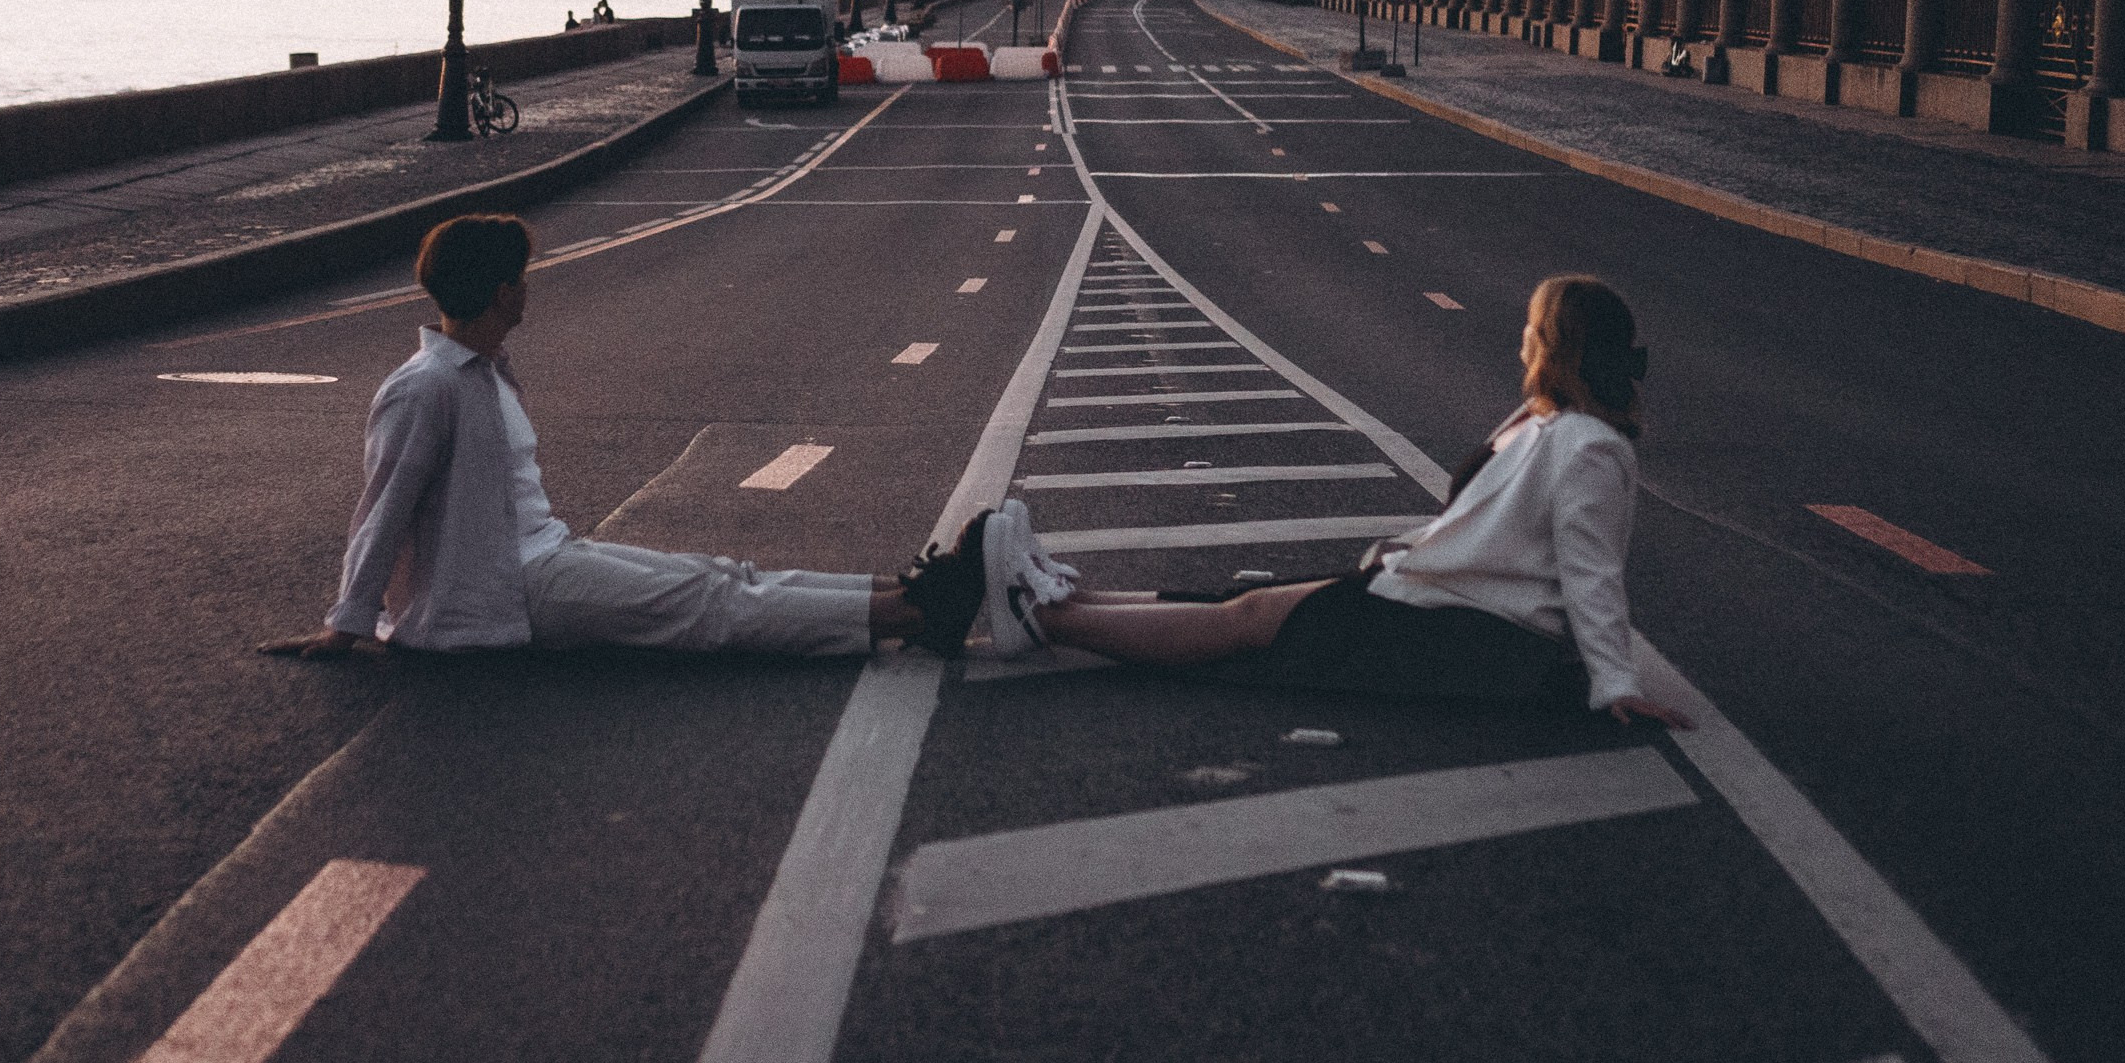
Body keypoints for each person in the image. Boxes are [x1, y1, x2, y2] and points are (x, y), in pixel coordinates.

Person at [258, 215, 991, 662]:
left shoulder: (484, 373)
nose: (527, 287)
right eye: (519, 277)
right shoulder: (426, 386)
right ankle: (913, 615)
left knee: (718, 576)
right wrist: (347, 624)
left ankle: (905, 594)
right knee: (708, 609)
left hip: (545, 556)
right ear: (498, 292)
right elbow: (381, 511)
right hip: (509, 591)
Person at [979, 276, 1695, 728]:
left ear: (1553, 345)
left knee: (1248, 620)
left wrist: (1615, 683)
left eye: (1532, 328)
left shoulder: (1591, 448)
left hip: (1467, 638)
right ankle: (1057, 597)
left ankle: (1044, 616)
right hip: (1430, 604)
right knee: (1239, 604)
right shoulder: (1547, 423)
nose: (1520, 337)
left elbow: (1591, 571)